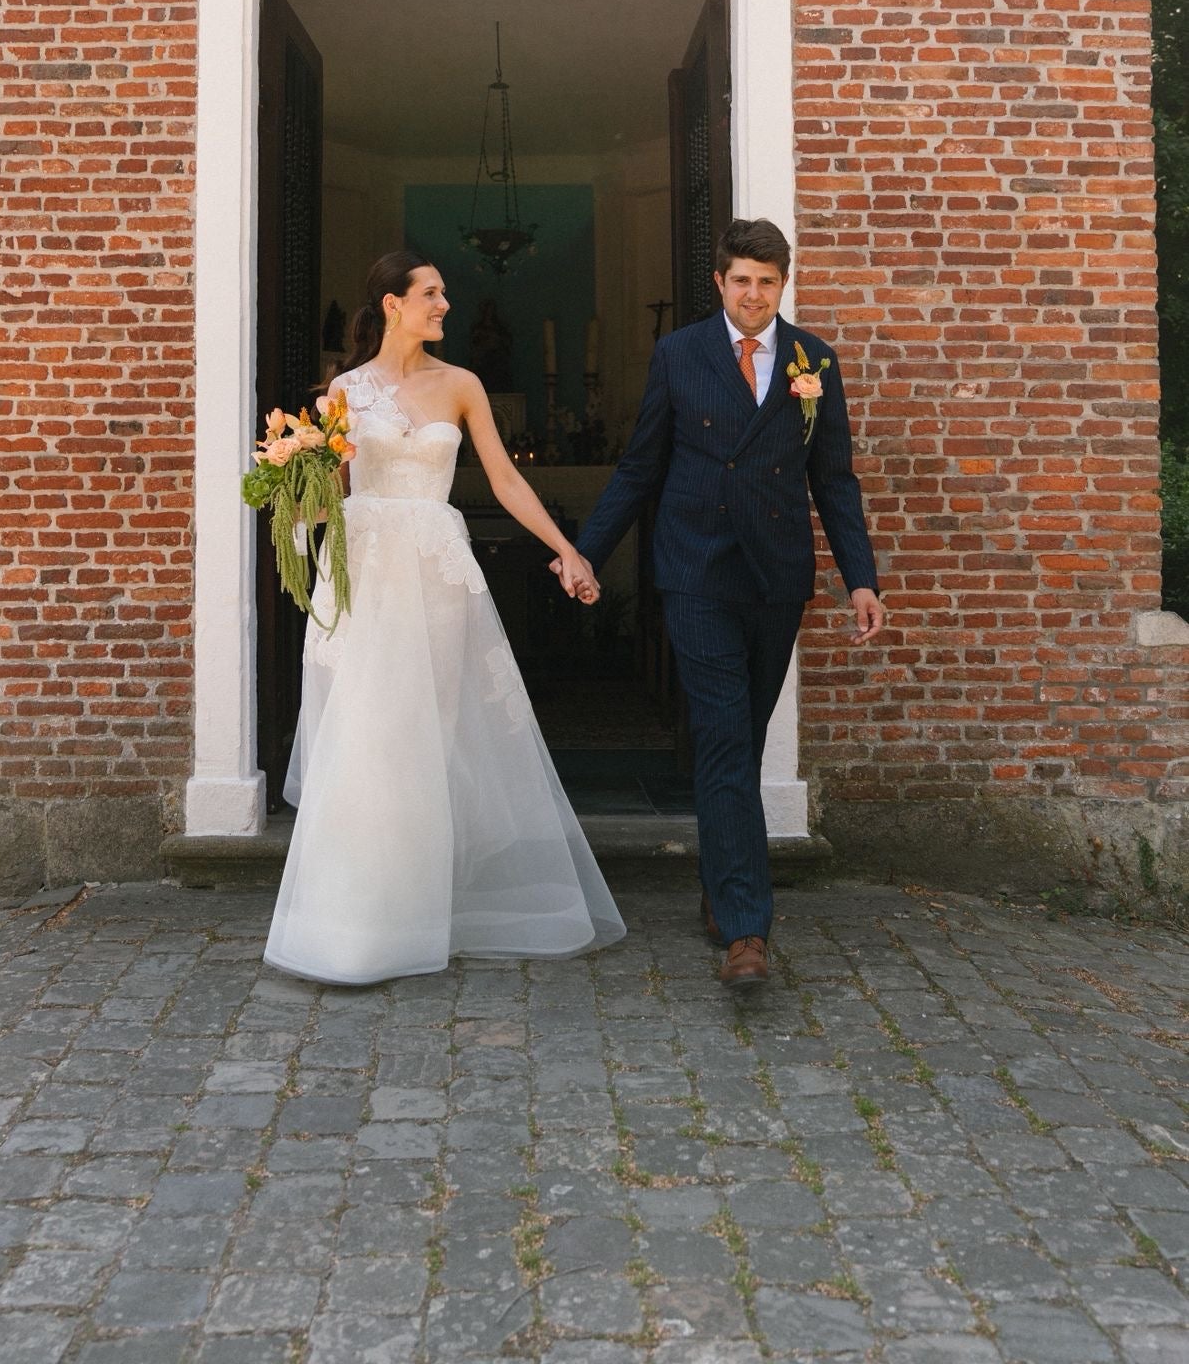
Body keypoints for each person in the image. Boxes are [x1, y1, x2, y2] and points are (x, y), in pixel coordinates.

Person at [264, 249, 625, 985]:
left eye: (444, 293)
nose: (445, 305)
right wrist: (287, 477)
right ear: (393, 304)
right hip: (363, 575)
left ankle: (424, 910)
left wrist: (569, 551)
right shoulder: (343, 393)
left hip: (433, 572)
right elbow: (321, 496)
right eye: (432, 293)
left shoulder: (462, 384)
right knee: (368, 735)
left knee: (431, 732)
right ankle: (359, 921)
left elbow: (504, 477)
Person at [559, 219, 882, 994]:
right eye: (741, 280)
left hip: (776, 579)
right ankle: (746, 929)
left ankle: (722, 879)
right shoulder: (680, 354)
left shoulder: (815, 363)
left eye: (768, 282)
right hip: (697, 572)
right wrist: (586, 551)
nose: (754, 294)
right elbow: (641, 467)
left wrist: (860, 578)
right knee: (723, 740)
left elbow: (833, 479)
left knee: (740, 732)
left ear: (783, 284)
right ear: (720, 283)